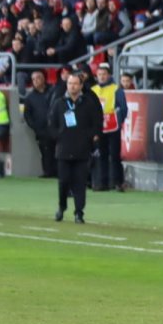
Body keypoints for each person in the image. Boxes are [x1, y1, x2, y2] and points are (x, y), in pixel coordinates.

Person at [46, 72, 103, 224]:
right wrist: (58, 136)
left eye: (75, 83)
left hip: (82, 150)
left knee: (80, 184)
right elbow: (51, 124)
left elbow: (96, 122)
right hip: (63, 149)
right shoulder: (59, 103)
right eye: (70, 83)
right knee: (63, 182)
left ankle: (79, 212)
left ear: (81, 86)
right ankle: (61, 206)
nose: (73, 86)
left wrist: (90, 136)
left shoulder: (88, 103)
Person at [90, 64, 128, 192]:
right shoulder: (93, 90)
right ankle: (103, 182)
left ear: (109, 75)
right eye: (99, 74)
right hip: (99, 127)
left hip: (113, 127)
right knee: (102, 155)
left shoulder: (116, 89)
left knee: (115, 154)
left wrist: (118, 121)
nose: (101, 77)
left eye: (104, 74)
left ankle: (118, 182)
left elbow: (123, 108)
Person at [23, 70, 57, 178]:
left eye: (38, 78)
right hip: (41, 130)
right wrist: (35, 127)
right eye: (33, 79)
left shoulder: (53, 92)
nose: (35, 81)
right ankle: (48, 172)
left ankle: (60, 172)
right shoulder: (30, 97)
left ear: (44, 78)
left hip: (56, 127)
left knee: (59, 150)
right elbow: (27, 115)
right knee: (45, 152)